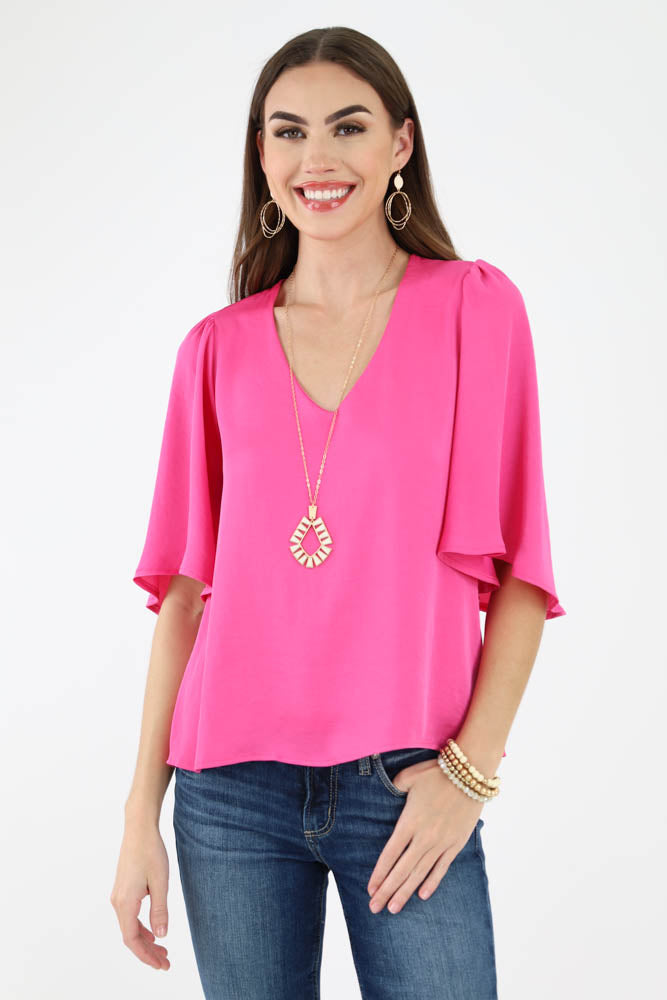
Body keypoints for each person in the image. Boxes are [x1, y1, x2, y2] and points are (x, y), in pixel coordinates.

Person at [111, 25, 565, 1000]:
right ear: (262, 155)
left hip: (405, 783)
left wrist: (466, 776)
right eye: (288, 132)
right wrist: (139, 815)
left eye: (347, 127)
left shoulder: (474, 309)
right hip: (227, 792)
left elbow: (523, 576)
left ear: (400, 142)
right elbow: (183, 602)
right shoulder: (215, 349)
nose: (316, 158)